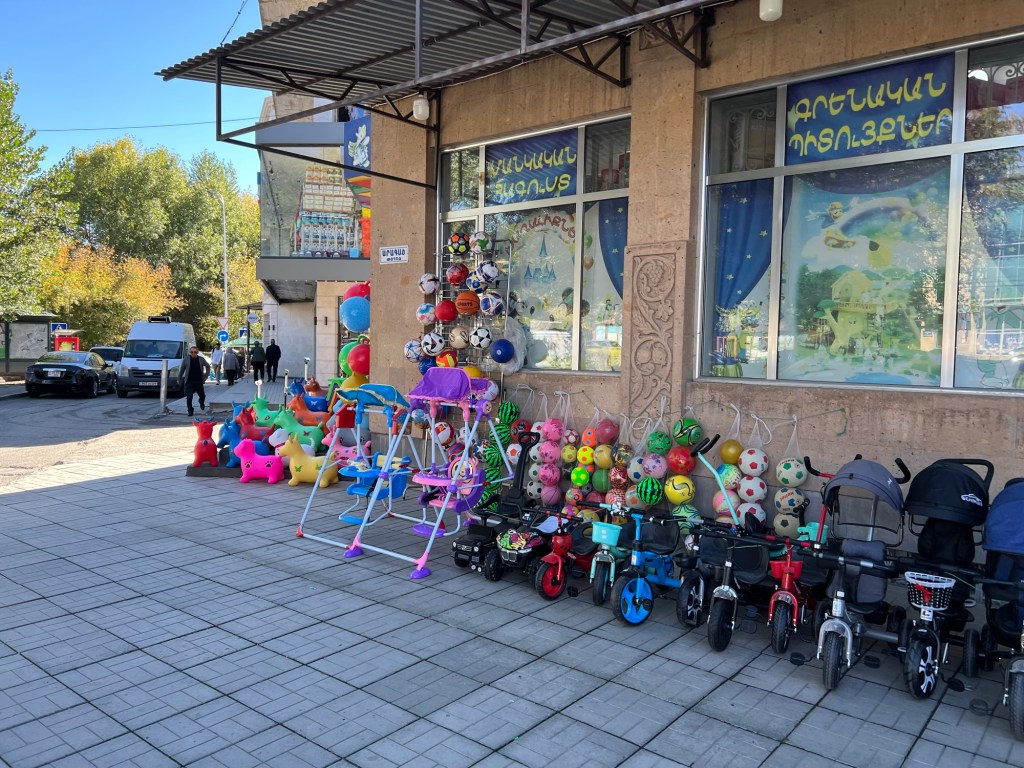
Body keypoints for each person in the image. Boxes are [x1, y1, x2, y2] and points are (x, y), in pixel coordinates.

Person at [183, 346, 211, 417]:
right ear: (190, 352)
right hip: (189, 381)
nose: (193, 353)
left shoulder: (201, 359)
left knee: (202, 395)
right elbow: (182, 369)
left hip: (198, 381)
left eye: (195, 352)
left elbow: (208, 366)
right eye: (191, 352)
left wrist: (206, 376)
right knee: (189, 397)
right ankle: (190, 411)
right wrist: (179, 379)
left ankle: (201, 402)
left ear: (197, 352)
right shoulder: (186, 359)